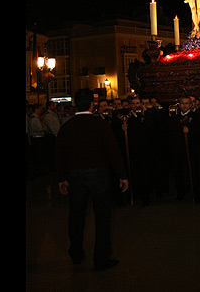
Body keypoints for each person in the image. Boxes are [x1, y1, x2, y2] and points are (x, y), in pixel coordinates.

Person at [56, 89, 129, 271]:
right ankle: (101, 258)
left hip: (75, 175)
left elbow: (59, 155)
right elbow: (113, 151)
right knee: (103, 217)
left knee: (76, 216)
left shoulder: (67, 126)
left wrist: (61, 178)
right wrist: (122, 175)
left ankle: (76, 253)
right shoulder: (100, 124)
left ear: (75, 105)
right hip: (98, 174)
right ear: (92, 105)